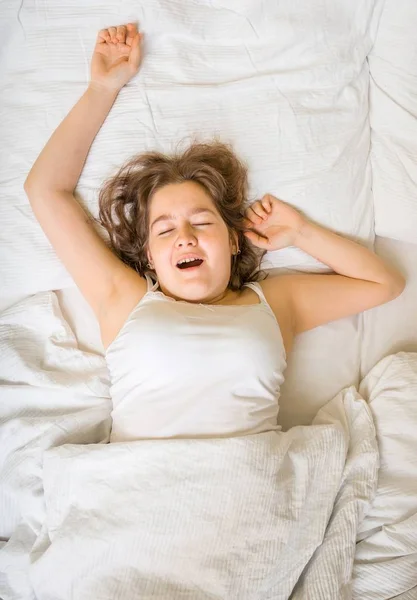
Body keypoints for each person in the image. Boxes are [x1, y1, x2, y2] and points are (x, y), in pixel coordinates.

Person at [24, 23, 405, 442]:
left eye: (202, 222)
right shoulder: (124, 298)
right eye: (164, 230)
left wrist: (300, 231)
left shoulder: (275, 304)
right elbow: (45, 190)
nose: (185, 236)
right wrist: (102, 88)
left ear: (233, 239)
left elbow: (383, 283)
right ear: (149, 256)